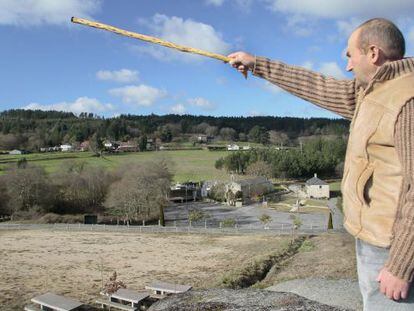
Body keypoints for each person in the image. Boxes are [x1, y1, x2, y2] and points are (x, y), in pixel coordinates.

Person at [228, 18, 414, 310]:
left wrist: (402, 265)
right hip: (375, 236)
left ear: (373, 53)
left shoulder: (407, 99)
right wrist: (257, 64)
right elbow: (318, 86)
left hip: (393, 246)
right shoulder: (372, 91)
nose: (348, 66)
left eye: (350, 56)